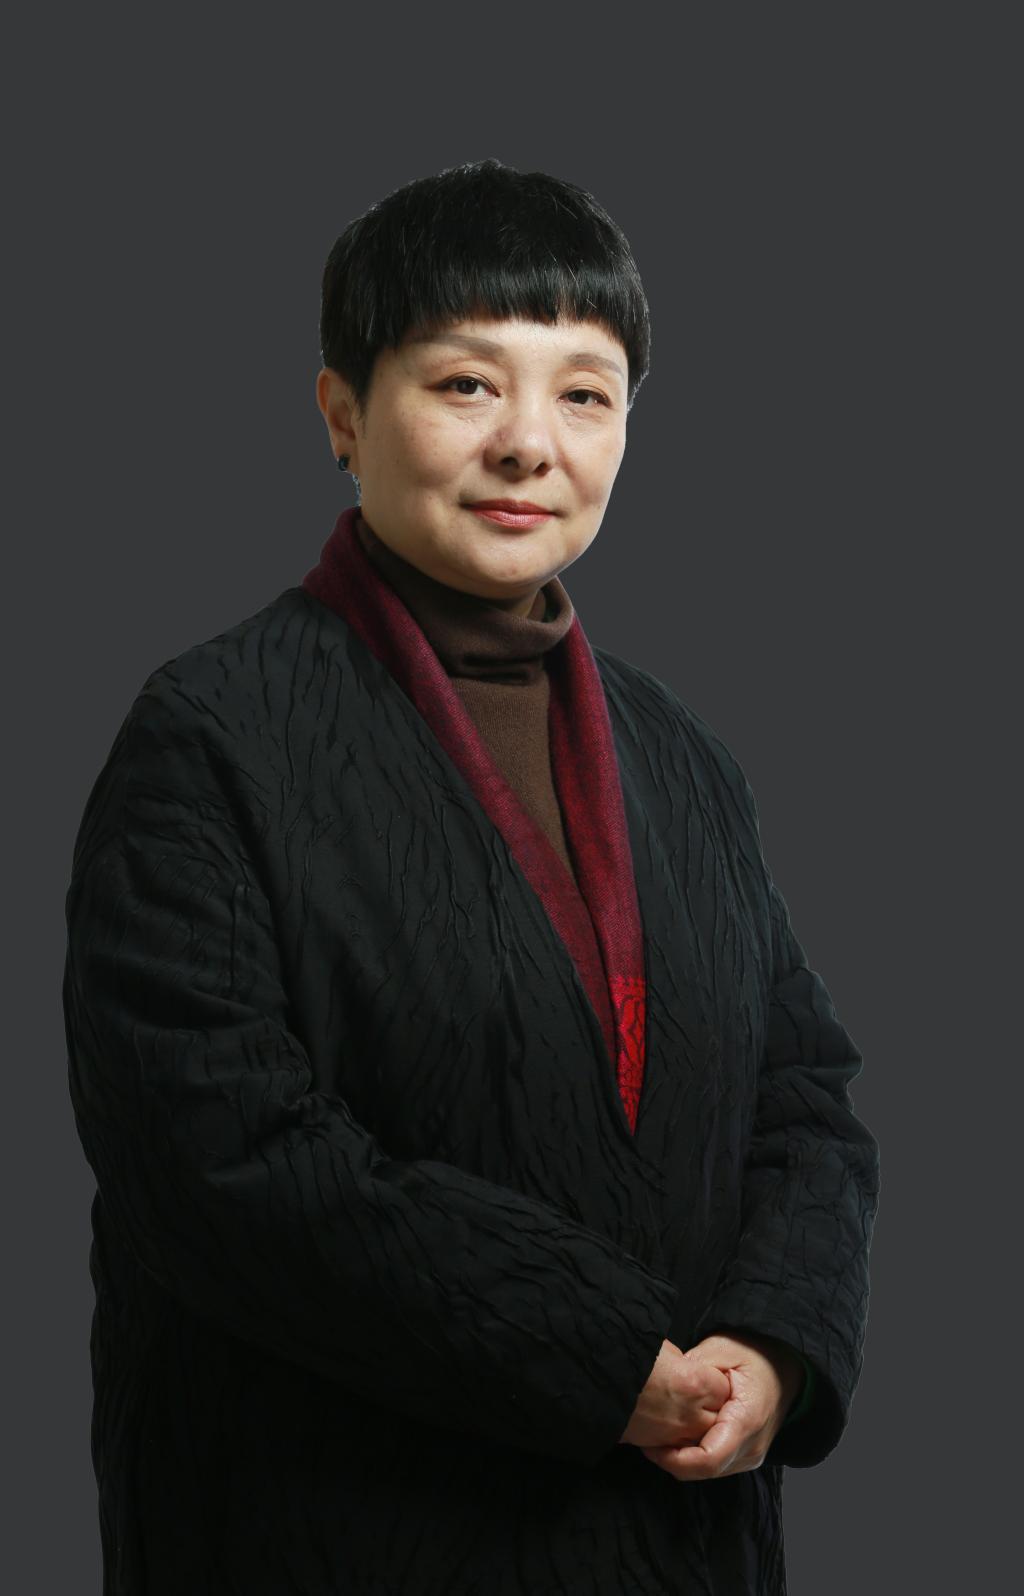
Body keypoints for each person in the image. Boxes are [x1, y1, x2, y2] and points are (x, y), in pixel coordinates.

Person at [63, 157, 880, 1596]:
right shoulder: (213, 733)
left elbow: (803, 1094)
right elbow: (218, 1156)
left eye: (586, 393)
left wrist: (773, 1349)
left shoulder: (683, 754)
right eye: (466, 385)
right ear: (342, 414)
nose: (529, 445)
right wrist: (598, 1359)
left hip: (676, 1539)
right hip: (333, 1532)